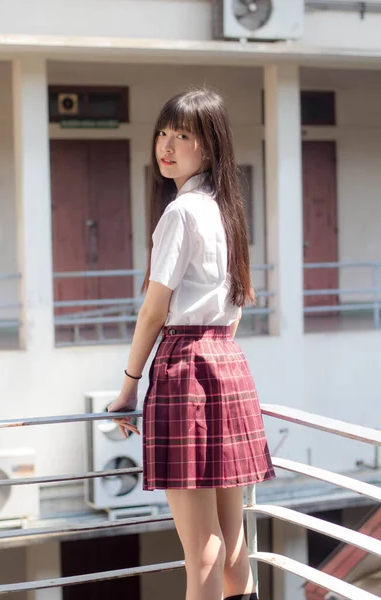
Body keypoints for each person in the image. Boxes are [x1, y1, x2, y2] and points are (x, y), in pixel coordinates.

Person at [108, 87, 275, 600]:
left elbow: (154, 311)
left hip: (185, 367)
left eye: (183, 135)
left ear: (210, 146)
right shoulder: (227, 209)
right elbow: (240, 301)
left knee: (201, 547)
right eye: (163, 132)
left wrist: (129, 386)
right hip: (228, 362)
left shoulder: (181, 214)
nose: (167, 145)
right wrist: (214, 350)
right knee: (232, 542)